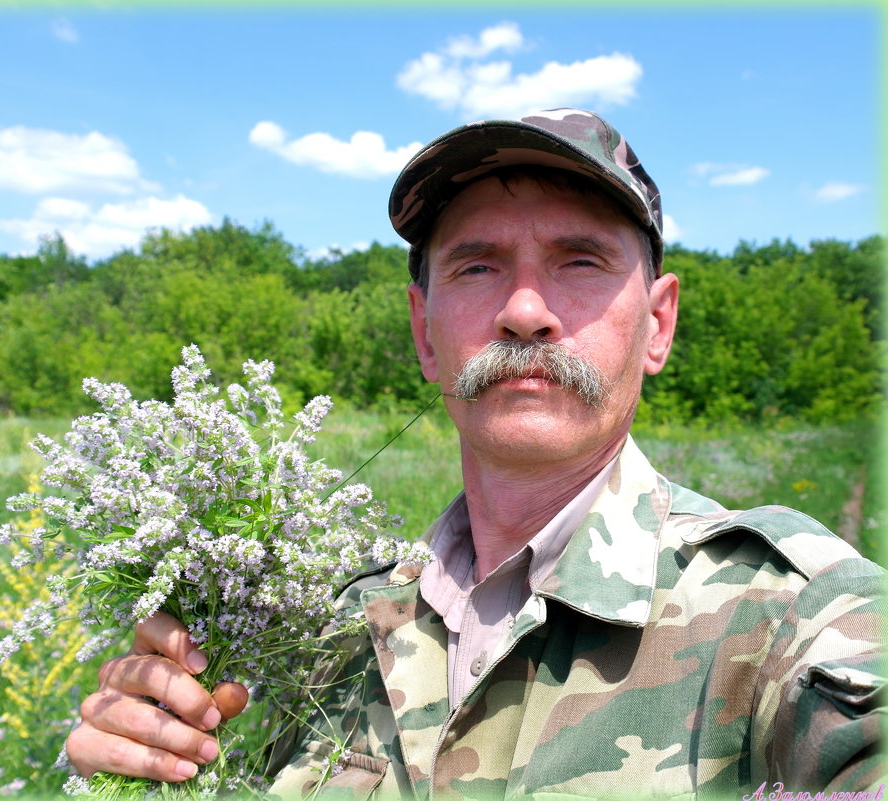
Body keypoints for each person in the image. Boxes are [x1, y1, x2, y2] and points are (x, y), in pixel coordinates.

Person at [66, 109, 884, 798]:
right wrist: (144, 760)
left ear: (658, 323)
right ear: (425, 332)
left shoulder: (789, 609)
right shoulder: (320, 635)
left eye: (580, 261)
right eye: (479, 265)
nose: (525, 310)